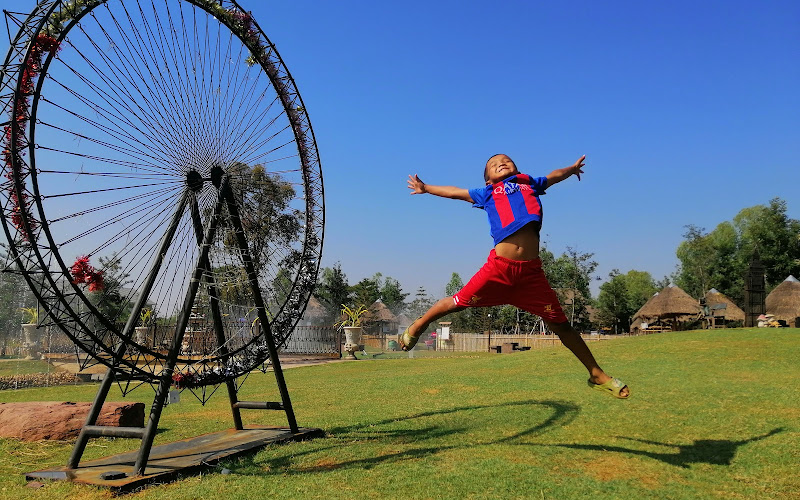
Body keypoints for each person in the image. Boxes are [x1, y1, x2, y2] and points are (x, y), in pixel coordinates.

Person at [401, 154, 629, 399]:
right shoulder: (487, 193)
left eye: (506, 160)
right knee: (455, 303)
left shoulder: (528, 182)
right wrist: (426, 188)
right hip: (498, 270)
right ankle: (418, 325)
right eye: (493, 164)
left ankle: (596, 373)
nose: (501, 162)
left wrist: (571, 170)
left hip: (531, 275)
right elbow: (455, 191)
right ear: (488, 179)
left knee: (561, 325)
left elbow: (554, 176)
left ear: (516, 167)